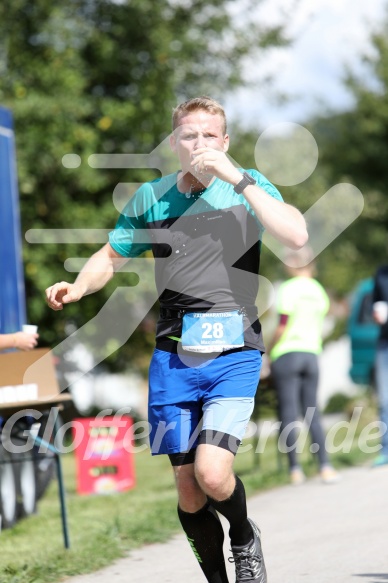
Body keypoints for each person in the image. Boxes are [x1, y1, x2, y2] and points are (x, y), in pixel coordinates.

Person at [45, 96, 308, 583]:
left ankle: (244, 536)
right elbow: (112, 253)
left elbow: (295, 234)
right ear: (175, 143)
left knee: (212, 474)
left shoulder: (247, 185)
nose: (200, 144)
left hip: (234, 352)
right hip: (174, 358)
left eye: (210, 135)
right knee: (189, 492)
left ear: (225, 142)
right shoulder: (152, 197)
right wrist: (78, 286)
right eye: (190, 135)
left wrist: (240, 179)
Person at [268, 247, 338, 486]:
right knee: (312, 412)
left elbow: (283, 324)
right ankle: (325, 466)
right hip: (311, 354)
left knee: (288, 413)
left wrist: (268, 349)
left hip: (287, 353)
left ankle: (295, 470)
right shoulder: (319, 291)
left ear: (293, 264)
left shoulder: (288, 288)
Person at [371, 263, 388, 467]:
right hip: (385, 343)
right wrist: (376, 314)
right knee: (385, 399)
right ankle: (386, 449)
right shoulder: (381, 273)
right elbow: (375, 304)